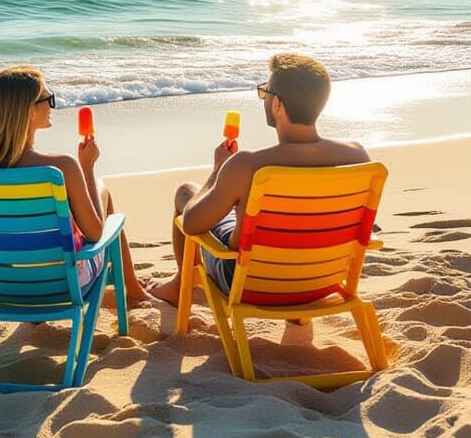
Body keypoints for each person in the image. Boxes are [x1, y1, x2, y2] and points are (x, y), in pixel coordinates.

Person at [150, 53, 370, 305]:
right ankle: (298, 316)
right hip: (323, 282)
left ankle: (180, 286)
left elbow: (190, 224)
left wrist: (217, 171)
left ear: (277, 104)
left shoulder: (246, 165)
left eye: (265, 92)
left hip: (251, 285)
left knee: (186, 192)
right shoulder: (356, 156)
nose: (264, 98)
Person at [0, 66, 150, 307]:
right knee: (103, 191)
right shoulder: (61, 168)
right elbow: (95, 233)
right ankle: (134, 290)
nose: (51, 105)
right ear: (29, 111)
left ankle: (133, 288)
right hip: (59, 285)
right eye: (47, 99)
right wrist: (87, 169)